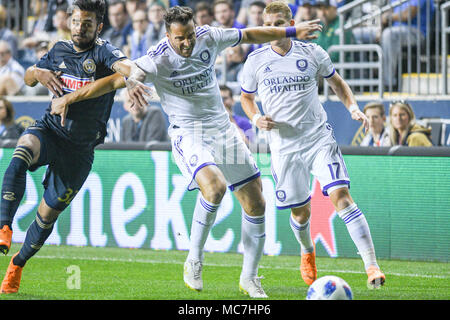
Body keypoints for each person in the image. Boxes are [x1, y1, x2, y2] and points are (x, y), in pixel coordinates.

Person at [48, 5, 323, 298]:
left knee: (256, 203)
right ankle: (194, 258)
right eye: (180, 38)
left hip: (222, 130)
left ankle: (250, 278)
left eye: (190, 35)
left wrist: (292, 31)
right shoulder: (157, 59)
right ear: (168, 36)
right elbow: (113, 81)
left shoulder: (209, 36)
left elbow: (250, 33)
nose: (188, 43)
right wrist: (70, 99)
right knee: (214, 188)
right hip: (188, 133)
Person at [240, 1, 385, 289]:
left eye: (279, 22)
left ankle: (372, 265)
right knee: (300, 212)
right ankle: (307, 250)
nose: (273, 29)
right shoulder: (255, 61)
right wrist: (255, 117)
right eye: (268, 24)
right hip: (283, 146)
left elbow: (337, 83)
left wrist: (353, 107)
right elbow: (246, 97)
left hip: (317, 138)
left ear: (290, 22)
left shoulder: (312, 52)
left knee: (341, 195)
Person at [0, 0, 132, 294]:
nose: (79, 28)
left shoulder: (103, 52)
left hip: (80, 149)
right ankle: (4, 227)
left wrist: (70, 98)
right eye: (75, 21)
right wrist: (38, 71)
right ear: (69, 21)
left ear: (98, 27)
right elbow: (28, 78)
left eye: (86, 23)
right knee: (20, 153)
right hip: (51, 130)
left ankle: (17, 265)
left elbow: (125, 73)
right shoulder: (58, 49)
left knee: (47, 215)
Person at [380, 0, 435, 89]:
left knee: (389, 35)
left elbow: (407, 15)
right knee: (357, 35)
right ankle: (359, 80)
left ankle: (388, 84)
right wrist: (380, 30)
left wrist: (388, 17)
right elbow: (386, 14)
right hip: (394, 30)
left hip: (416, 32)